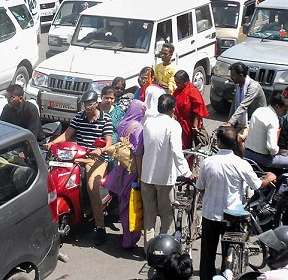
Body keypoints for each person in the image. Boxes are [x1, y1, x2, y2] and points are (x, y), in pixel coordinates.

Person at [196, 126, 276, 280]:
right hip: (232, 217)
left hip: (210, 215)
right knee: (230, 255)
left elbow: (200, 186)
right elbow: (257, 185)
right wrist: (269, 178)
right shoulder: (241, 164)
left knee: (207, 254)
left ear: (218, 142)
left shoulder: (208, 162)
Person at [45, 90, 113, 246]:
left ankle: (100, 227)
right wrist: (53, 143)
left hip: (96, 158)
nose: (87, 107)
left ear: (96, 103)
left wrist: (100, 150)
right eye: (84, 104)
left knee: (91, 186)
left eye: (89, 104)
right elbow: (66, 135)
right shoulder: (79, 117)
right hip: (77, 156)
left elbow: (108, 143)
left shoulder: (105, 119)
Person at [141, 94, 193, 251]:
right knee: (167, 215)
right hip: (165, 178)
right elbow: (177, 153)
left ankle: (149, 248)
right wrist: (187, 173)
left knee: (149, 216)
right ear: (173, 109)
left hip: (147, 175)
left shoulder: (148, 123)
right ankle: (164, 248)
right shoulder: (173, 125)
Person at [104, 99, 146, 249]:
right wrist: (141, 175)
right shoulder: (138, 128)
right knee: (133, 205)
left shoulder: (122, 123)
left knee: (123, 204)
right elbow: (139, 154)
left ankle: (126, 236)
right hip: (132, 171)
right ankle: (129, 240)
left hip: (120, 169)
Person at [224, 61, 267, 151]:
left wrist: (231, 123)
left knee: (237, 139)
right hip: (244, 119)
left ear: (241, 75)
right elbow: (234, 104)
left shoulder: (253, 87)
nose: (231, 78)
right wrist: (228, 122)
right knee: (227, 137)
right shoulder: (239, 86)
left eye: (233, 75)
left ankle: (243, 161)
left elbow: (243, 106)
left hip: (254, 120)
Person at [243, 92, 288, 168]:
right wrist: (278, 151)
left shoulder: (259, 111)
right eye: (285, 109)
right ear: (277, 106)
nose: (286, 112)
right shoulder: (273, 119)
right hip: (262, 159)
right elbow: (272, 147)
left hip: (247, 153)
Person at [173, 70, 209, 151]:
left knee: (187, 147)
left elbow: (198, 110)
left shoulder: (192, 91)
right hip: (179, 122)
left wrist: (195, 126)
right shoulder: (178, 90)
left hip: (188, 125)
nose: (176, 84)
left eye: (178, 82)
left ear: (185, 82)